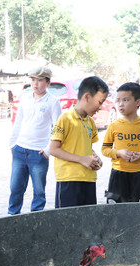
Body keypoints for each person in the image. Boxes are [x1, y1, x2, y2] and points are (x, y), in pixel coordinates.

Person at [7, 66, 62, 215]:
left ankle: (36, 219)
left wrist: (47, 150)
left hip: (38, 153)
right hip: (19, 150)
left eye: (39, 80)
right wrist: (13, 144)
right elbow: (18, 122)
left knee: (38, 191)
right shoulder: (25, 98)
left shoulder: (52, 102)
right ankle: (12, 218)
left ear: (48, 83)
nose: (35, 84)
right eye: (32, 80)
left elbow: (57, 128)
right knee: (15, 188)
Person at [49, 76, 109, 208]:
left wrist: (94, 158)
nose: (100, 107)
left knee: (87, 222)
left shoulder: (90, 122)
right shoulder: (66, 119)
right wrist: (81, 159)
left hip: (88, 178)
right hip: (69, 180)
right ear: (87, 97)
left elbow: (87, 147)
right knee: (68, 223)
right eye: (100, 102)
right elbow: (53, 149)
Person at [101, 82, 140, 203]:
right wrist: (119, 153)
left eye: (126, 100)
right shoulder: (113, 126)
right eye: (118, 100)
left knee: (136, 208)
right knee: (114, 208)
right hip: (117, 173)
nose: (120, 104)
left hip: (138, 174)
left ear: (137, 102)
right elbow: (105, 150)